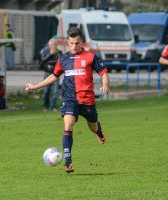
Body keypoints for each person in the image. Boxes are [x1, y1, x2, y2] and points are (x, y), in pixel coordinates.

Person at [25, 27, 110, 173]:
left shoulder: (90, 57)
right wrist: (35, 86)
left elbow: (103, 73)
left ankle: (99, 131)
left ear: (81, 42)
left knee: (93, 127)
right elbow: (53, 76)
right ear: (68, 43)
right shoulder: (63, 59)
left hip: (87, 100)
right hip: (70, 99)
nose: (74, 46)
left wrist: (105, 85)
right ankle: (68, 161)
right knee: (68, 125)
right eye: (71, 43)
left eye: (77, 43)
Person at [40, 38, 62, 112]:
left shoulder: (59, 52)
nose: (54, 46)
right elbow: (43, 60)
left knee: (55, 92)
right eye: (53, 44)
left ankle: (53, 106)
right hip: (47, 73)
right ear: (49, 45)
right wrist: (50, 54)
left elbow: (59, 61)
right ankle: (46, 106)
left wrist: (49, 62)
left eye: (55, 44)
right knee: (46, 91)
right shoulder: (45, 52)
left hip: (56, 74)